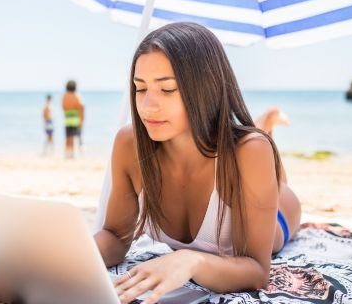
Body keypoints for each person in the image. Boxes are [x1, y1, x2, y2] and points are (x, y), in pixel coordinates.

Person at [93, 22, 301, 304]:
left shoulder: (249, 154)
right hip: (243, 164)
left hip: (281, 213)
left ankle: (265, 128)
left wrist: (191, 261)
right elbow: (116, 237)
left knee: (270, 169)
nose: (147, 106)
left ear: (206, 88)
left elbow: (256, 270)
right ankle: (264, 126)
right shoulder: (130, 144)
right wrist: (67, 256)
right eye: (140, 89)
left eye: (167, 90)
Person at [62, 80, 84, 158]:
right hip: (75, 119)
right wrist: (82, 120)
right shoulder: (76, 96)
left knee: (68, 138)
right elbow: (81, 107)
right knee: (74, 138)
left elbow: (63, 108)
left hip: (67, 119)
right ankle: (73, 155)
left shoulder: (64, 96)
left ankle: (67, 154)